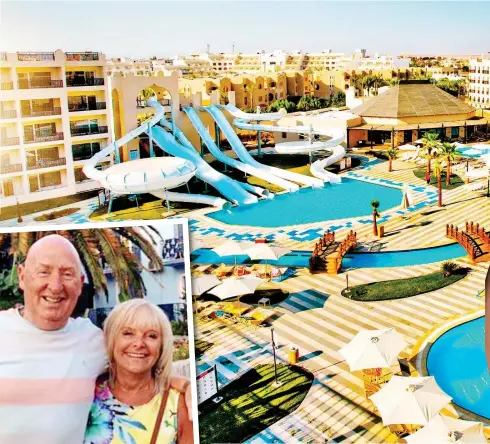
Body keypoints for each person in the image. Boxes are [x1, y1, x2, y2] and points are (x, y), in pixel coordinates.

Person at [0, 235, 192, 444]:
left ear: (80, 284)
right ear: (22, 276)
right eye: (43, 271)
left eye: (67, 274)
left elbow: (137, 362)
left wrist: (186, 387)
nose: (55, 286)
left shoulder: (92, 340)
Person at [84, 299, 192, 443]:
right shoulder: (86, 394)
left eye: (151, 336)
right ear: (111, 338)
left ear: (161, 345)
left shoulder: (179, 403)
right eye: (128, 333)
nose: (139, 344)